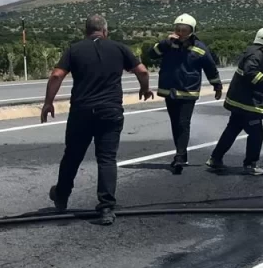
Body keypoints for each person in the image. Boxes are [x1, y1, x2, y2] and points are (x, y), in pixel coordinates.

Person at [42, 14, 152, 226]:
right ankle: (106, 207)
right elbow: (143, 71)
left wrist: (48, 102)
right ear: (105, 31)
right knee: (107, 158)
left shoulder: (74, 49)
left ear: (86, 31)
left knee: (72, 155)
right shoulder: (119, 48)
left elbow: (56, 75)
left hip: (82, 111)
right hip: (110, 111)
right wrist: (145, 89)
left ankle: (61, 196)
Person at [146, 13, 223, 174]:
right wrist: (165, 42)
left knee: (183, 122)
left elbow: (210, 68)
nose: (180, 33)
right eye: (178, 29)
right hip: (169, 90)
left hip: (188, 91)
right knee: (175, 123)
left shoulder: (200, 48)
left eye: (184, 30)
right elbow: (151, 55)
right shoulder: (168, 45)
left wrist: (217, 85)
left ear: (191, 31)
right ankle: (182, 153)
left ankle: (180, 157)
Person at [206, 26, 263, 177]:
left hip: (240, 101)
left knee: (232, 130)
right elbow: (250, 73)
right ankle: (250, 164)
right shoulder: (257, 55)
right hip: (248, 103)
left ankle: (215, 159)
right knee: (256, 134)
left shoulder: (254, 52)